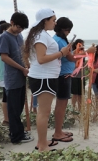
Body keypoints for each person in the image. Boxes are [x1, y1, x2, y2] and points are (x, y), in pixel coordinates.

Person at [24, 9, 71, 152]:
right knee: (44, 112)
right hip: (44, 78)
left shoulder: (40, 35)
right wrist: (61, 53)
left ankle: (43, 141)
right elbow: (41, 59)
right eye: (53, 20)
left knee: (44, 111)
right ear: (45, 20)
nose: (55, 23)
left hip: (45, 76)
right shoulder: (40, 36)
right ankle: (42, 145)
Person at [0, 12, 34, 143]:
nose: (20, 30)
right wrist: (21, 68)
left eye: (22, 28)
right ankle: (16, 137)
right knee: (13, 109)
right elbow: (4, 57)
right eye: (18, 27)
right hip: (12, 78)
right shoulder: (5, 37)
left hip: (21, 77)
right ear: (11, 22)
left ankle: (19, 131)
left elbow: (22, 53)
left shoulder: (19, 36)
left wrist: (27, 62)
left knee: (18, 108)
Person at [52, 17, 76, 142]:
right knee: (61, 105)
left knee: (61, 104)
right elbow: (71, 58)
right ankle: (57, 133)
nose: (69, 32)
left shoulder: (57, 39)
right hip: (63, 76)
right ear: (63, 29)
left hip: (62, 75)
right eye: (68, 30)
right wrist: (86, 53)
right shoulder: (60, 41)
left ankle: (59, 130)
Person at [71, 39, 86, 112]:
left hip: (82, 76)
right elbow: (73, 56)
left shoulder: (83, 54)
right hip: (74, 76)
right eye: (80, 45)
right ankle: (73, 108)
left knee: (81, 94)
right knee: (75, 94)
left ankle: (80, 109)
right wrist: (77, 49)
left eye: (82, 45)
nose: (81, 46)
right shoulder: (73, 52)